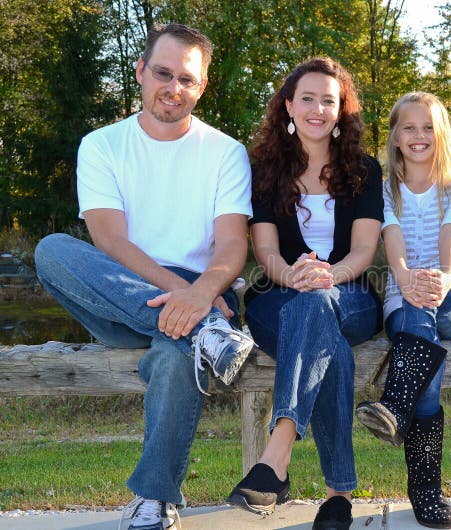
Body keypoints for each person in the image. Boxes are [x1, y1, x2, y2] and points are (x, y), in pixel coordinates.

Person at [33, 23, 254, 530]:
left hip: (206, 289)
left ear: (201, 87)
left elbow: (232, 246)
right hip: (123, 293)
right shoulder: (102, 145)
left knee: (177, 351)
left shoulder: (224, 151)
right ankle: (207, 336)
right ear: (140, 72)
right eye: (162, 73)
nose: (173, 88)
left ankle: (154, 500)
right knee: (52, 250)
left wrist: (199, 292)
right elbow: (110, 242)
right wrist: (187, 302)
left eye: (186, 79)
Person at [225, 57, 383, 530]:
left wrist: (327, 276)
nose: (318, 109)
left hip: (350, 294)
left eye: (329, 100)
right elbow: (265, 250)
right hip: (277, 296)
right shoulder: (264, 169)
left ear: (342, 110)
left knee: (320, 305)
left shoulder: (364, 170)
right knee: (323, 336)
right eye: (307, 98)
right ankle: (338, 495)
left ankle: (277, 456)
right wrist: (293, 276)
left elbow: (364, 252)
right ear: (289, 106)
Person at [355, 92, 451, 529]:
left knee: (424, 317)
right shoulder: (386, 188)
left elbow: (449, 236)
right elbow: (393, 242)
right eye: (409, 127)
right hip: (402, 299)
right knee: (418, 332)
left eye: (428, 127)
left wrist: (442, 277)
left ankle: (394, 407)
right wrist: (405, 278)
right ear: (395, 135)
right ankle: (427, 494)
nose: (419, 136)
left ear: (440, 133)